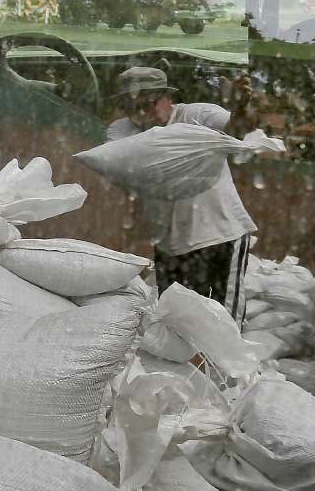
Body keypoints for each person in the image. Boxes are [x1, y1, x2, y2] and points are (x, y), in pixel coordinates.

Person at [105, 66, 264, 319]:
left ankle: (225, 360)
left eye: (149, 103)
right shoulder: (121, 130)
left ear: (168, 98)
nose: (143, 112)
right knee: (175, 320)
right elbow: (121, 166)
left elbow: (236, 130)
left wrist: (240, 109)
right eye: (133, 106)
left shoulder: (197, 114)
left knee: (222, 322)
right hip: (170, 244)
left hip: (220, 235)